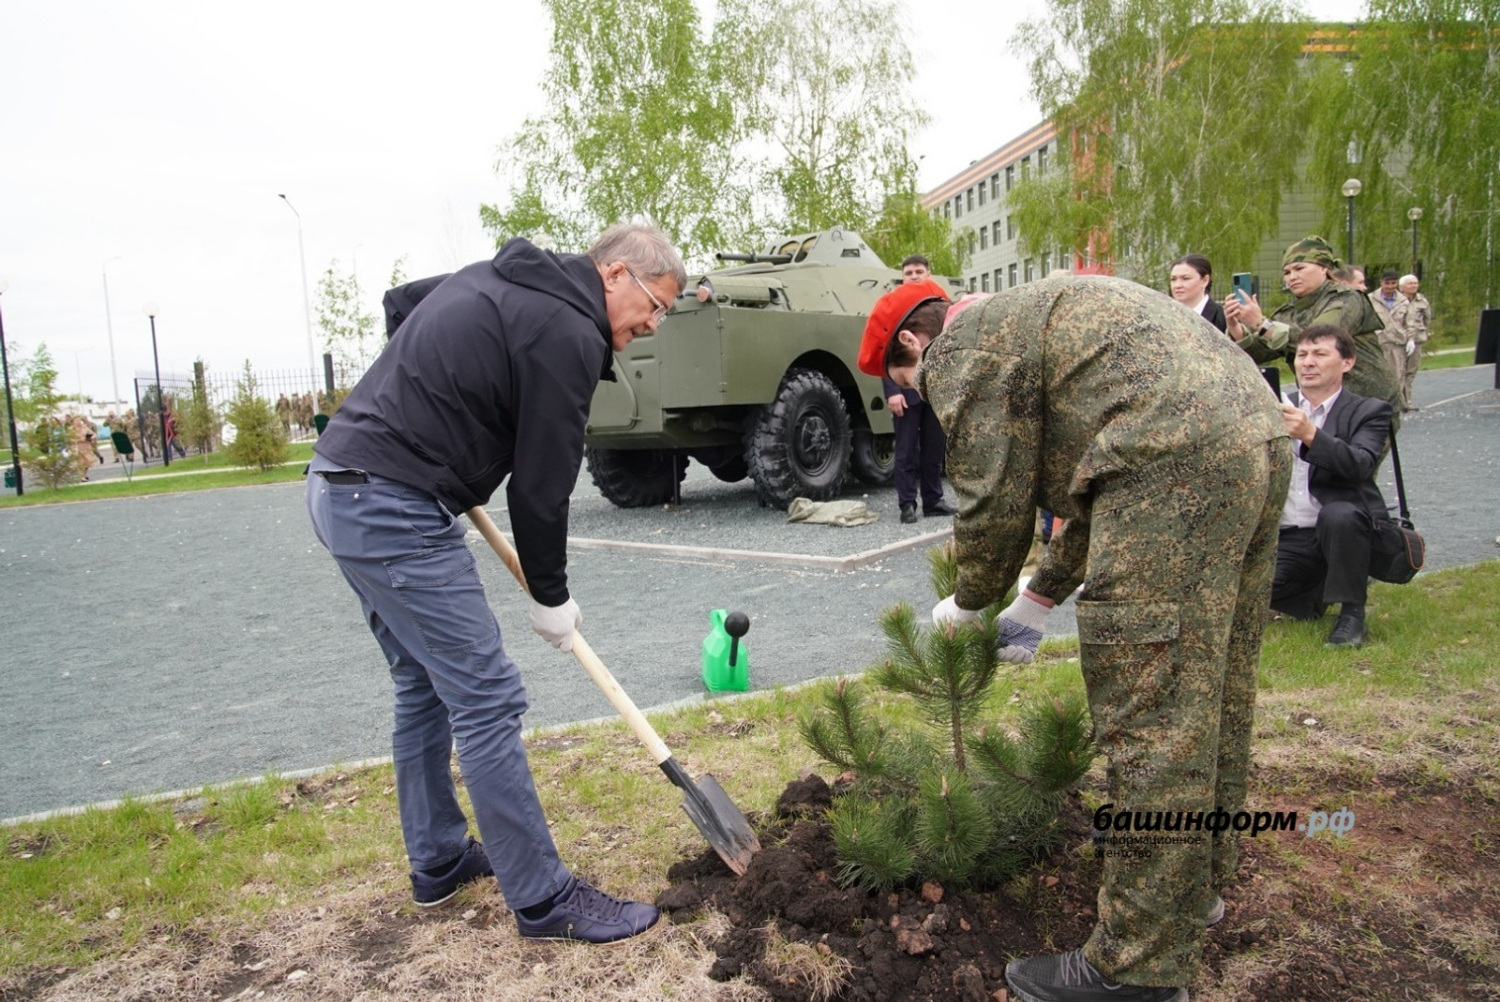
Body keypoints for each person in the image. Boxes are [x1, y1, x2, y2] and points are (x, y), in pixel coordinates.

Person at [861, 275, 1290, 1002]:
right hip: (1257, 439)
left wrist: (968, 602)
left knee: (1153, 718)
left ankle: (1136, 970)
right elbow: (1099, 482)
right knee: (1213, 690)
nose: (922, 394)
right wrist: (1037, 598)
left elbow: (993, 500)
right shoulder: (1041, 322)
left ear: (912, 341)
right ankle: (1195, 890)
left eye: (905, 381)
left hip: (1173, 458)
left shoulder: (963, 346)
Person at [306, 222, 685, 944]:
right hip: (389, 503)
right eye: (654, 305)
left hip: (340, 484)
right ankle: (544, 900)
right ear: (613, 275)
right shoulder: (570, 332)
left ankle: (439, 858)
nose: (654, 324)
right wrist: (551, 596)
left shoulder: (503, 279)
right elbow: (541, 488)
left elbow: (400, 304)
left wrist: (434, 406)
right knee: (485, 694)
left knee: (425, 684)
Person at [1271, 325, 1400, 648]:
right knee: (1266, 589)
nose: (1307, 362)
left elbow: (1360, 465)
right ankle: (1315, 593)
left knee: (1340, 515)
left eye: (1320, 354)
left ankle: (1352, 615)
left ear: (1347, 363)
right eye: (1301, 355)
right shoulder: (1275, 408)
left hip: (1341, 527)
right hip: (1291, 533)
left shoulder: (1369, 410)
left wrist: (1310, 434)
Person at [1225, 236, 1402, 418]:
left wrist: (1261, 323)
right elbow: (1260, 353)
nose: (1292, 277)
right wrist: (1236, 327)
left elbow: (1318, 339)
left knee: (1352, 448)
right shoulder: (1289, 312)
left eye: (1299, 268)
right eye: (1287, 272)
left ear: (1324, 268)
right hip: (1323, 403)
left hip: (1368, 400)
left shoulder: (1346, 299)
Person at [882, 260, 957, 524]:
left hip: (934, 391)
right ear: (902, 277)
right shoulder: (894, 310)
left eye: (918, 272)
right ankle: (907, 503)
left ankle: (933, 500)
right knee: (905, 451)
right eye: (908, 273)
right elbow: (886, 353)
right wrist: (892, 390)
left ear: (928, 275)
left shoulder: (939, 305)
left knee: (934, 449)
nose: (914, 276)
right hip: (906, 392)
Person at [1388, 274, 1432, 411]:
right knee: (1397, 371)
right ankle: (1399, 401)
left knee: (1410, 371)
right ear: (1402, 287)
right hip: (1398, 340)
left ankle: (1407, 401)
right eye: (1410, 283)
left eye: (1415, 283)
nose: (1414, 286)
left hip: (1416, 340)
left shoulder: (1422, 301)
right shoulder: (1395, 300)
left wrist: (1420, 333)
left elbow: (1427, 318)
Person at [1168, 254, 1226, 332]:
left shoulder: (1223, 318)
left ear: (1205, 281)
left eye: (1185, 278)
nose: (1177, 285)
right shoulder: (1164, 316)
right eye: (1173, 279)